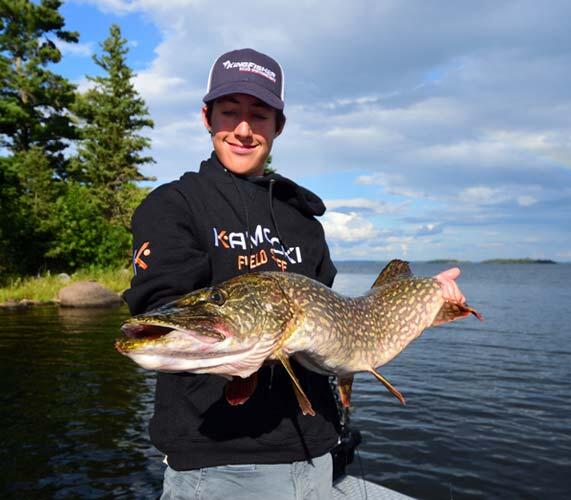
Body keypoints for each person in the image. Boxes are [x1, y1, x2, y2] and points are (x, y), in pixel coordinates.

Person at [123, 48, 468, 500]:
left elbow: (340, 334)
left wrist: (422, 307)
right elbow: (160, 303)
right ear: (207, 118)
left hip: (317, 459)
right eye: (230, 112)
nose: (244, 129)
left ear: (277, 126)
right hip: (220, 467)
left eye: (259, 115)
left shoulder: (302, 221)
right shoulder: (173, 205)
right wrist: (241, 344)